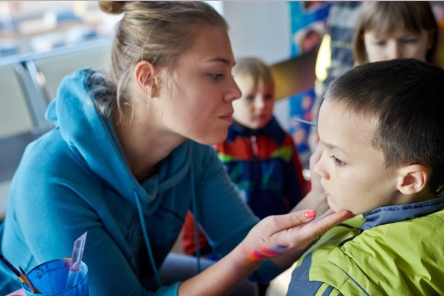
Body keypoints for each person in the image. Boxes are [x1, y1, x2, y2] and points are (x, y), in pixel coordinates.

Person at [0, 2, 352, 296]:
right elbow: (249, 252)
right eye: (216, 75)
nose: (235, 92)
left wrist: (326, 189)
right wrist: (247, 253)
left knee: (244, 288)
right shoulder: (50, 177)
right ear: (148, 79)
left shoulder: (191, 150)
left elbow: (261, 263)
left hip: (136, 276)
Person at [286, 58, 444, 295]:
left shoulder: (338, 283)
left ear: (410, 180)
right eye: (322, 148)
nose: (317, 167)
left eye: (338, 159)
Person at [181, 57, 308, 296]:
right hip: (226, 250)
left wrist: (301, 228)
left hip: (276, 245)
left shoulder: (283, 141)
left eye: (268, 96)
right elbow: (196, 205)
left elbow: (296, 190)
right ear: (231, 98)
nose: (261, 105)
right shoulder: (215, 147)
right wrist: (196, 250)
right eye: (250, 98)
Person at [353, 1, 438, 66]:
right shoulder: (351, 86)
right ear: (363, 43)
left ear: (430, 38)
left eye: (408, 41)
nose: (394, 56)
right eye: (380, 43)